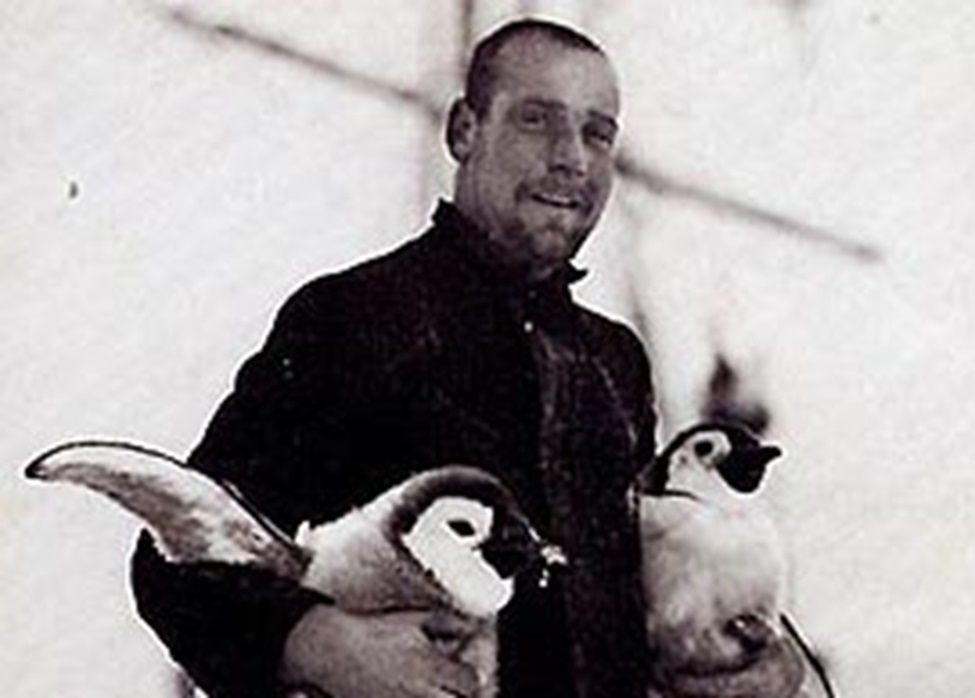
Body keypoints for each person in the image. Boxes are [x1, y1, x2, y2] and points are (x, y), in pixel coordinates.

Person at [132, 18, 803, 698]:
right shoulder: (355, 316)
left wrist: (749, 664)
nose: (571, 157)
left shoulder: (615, 362)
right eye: (536, 120)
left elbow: (641, 600)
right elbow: (178, 560)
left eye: (597, 132)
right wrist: (322, 645)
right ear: (462, 130)